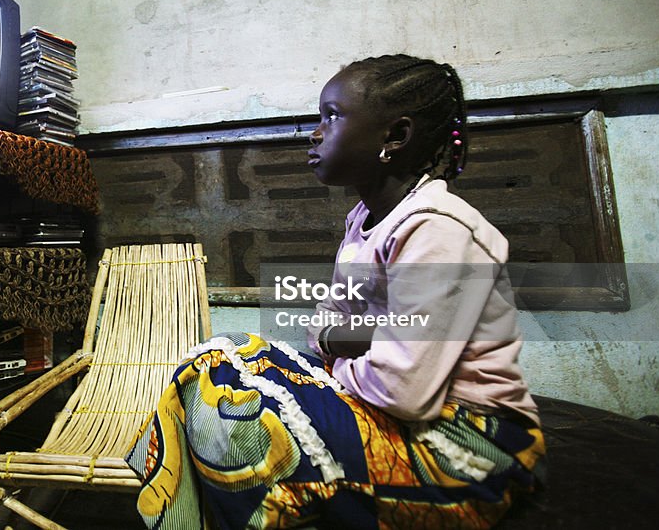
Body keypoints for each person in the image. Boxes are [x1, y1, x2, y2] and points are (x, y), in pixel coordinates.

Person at [126, 55, 546, 529]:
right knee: (221, 352)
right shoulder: (364, 222)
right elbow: (320, 326)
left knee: (225, 396)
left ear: (395, 137)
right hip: (400, 407)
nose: (316, 131)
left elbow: (403, 390)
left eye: (332, 115)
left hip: (465, 440)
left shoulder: (437, 230)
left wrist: (343, 355)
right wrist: (373, 338)